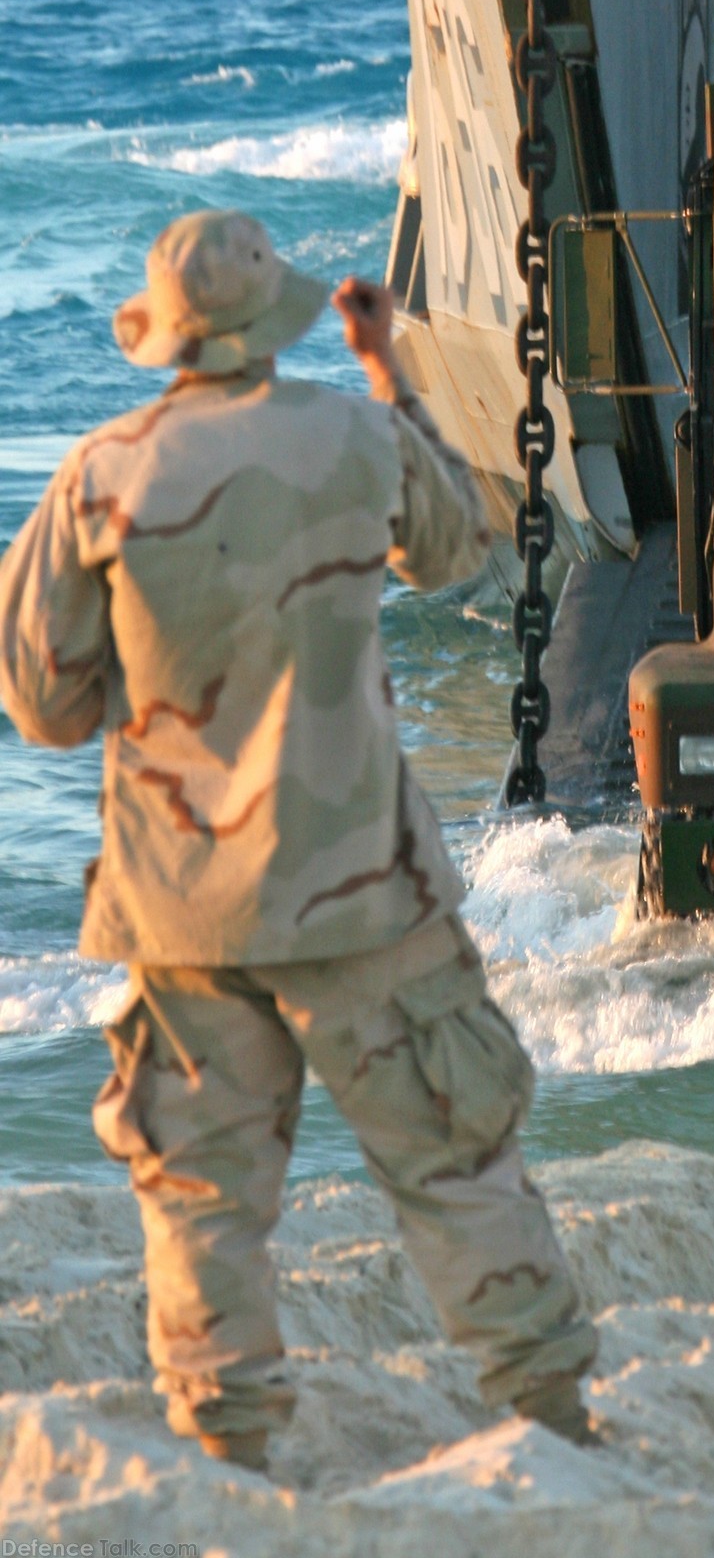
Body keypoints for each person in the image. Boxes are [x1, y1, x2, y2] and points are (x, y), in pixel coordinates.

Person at [0, 211, 597, 1471]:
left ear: (164, 336)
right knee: (452, 1159)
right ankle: (548, 1421)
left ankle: (228, 1448)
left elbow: (43, 706)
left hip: (182, 908)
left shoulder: (100, 476)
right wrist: (388, 375)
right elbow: (452, 553)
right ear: (273, 323)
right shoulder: (353, 435)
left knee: (202, 1199)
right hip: (360, 888)